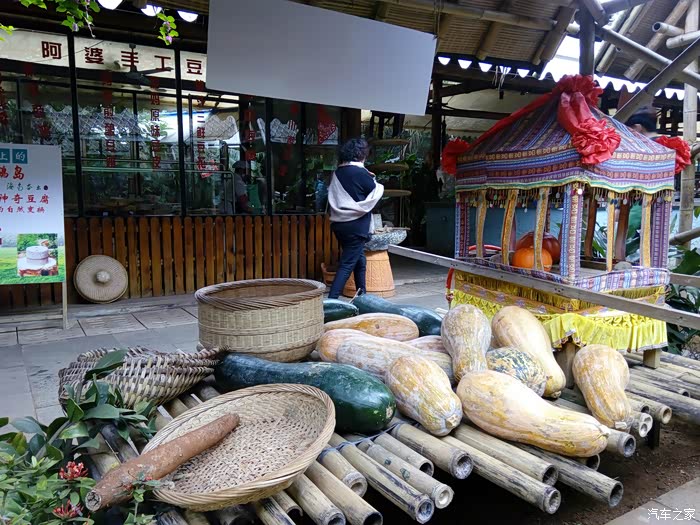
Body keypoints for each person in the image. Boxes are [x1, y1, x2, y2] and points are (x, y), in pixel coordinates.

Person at [327, 138, 384, 298]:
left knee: (360, 260)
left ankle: (361, 296)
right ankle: (331, 302)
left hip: (339, 224)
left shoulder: (337, 173)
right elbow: (375, 191)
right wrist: (375, 181)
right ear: (362, 155)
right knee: (347, 264)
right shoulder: (361, 173)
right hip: (356, 226)